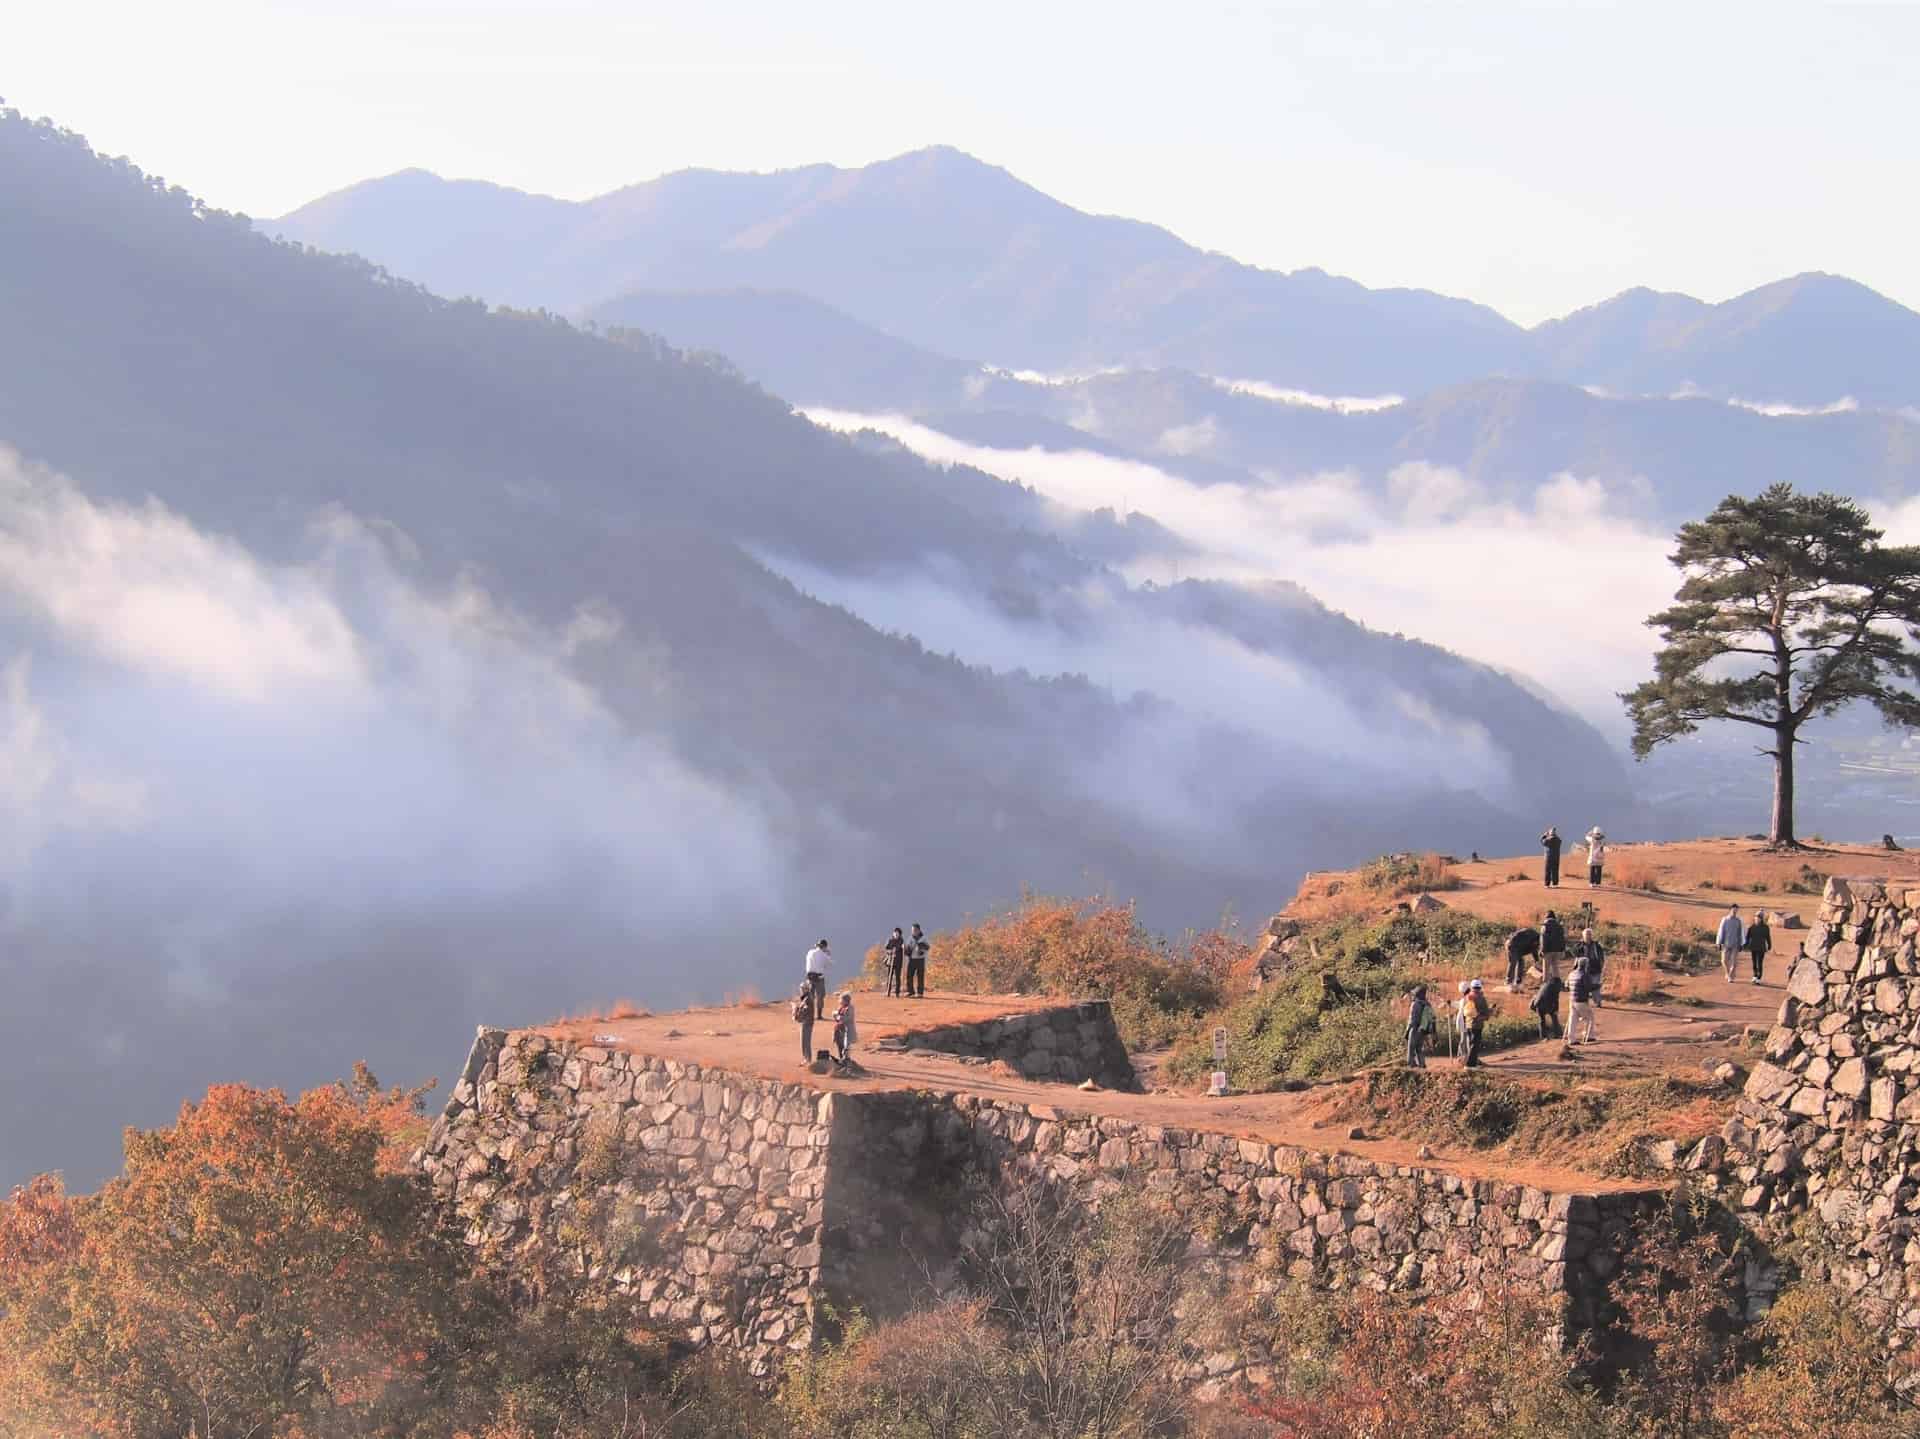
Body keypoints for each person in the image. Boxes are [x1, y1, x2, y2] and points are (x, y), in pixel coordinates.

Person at [1568, 954, 1600, 1043]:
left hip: (1572, 1000)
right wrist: (1597, 985)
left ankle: (1571, 1039)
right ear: (1585, 965)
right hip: (1581, 1000)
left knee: (1573, 1019)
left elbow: (1567, 985)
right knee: (1590, 1017)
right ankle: (1588, 1036)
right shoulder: (1584, 975)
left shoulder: (1571, 974)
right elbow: (1588, 988)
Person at [1462, 978, 1491, 1067]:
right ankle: (1469, 1065)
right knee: (1474, 1045)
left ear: (1471, 987)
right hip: (1477, 1025)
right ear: (1480, 987)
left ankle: (1473, 1063)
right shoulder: (1481, 998)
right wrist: (1490, 1012)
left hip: (1468, 1024)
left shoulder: (1467, 997)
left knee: (1470, 1044)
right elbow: (1486, 1013)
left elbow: (1464, 1011)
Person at [1574, 928, 1606, 1007]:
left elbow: (1601, 957)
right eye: (1586, 935)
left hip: (1595, 968)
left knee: (1595, 986)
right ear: (1583, 936)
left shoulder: (1597, 945)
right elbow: (1574, 952)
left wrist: (1601, 966)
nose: (1588, 937)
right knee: (1583, 986)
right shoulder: (1579, 945)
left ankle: (1598, 1002)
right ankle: (1584, 1002)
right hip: (1583, 969)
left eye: (1589, 935)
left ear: (1592, 936)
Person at [1405, 985, 1435, 1068]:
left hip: (1414, 1028)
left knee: (1411, 1049)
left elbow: (1412, 1019)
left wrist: (1407, 1030)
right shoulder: (1427, 1004)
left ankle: (1410, 1065)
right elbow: (1432, 1017)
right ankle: (1422, 1065)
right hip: (1422, 1029)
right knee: (1419, 1048)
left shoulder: (1415, 1004)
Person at [1504, 925, 1541, 990]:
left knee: (1521, 963)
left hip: (1518, 948)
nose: (1538, 945)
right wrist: (1511, 944)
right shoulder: (1531, 934)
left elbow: (1534, 950)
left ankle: (1518, 982)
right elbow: (1517, 935)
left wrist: (1536, 961)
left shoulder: (1535, 941)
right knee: (1513, 962)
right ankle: (1508, 981)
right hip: (1512, 944)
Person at [1531, 970, 1564, 1039]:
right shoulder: (1555, 987)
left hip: (1537, 1004)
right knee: (1554, 1016)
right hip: (1544, 1004)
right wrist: (1556, 1009)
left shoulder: (1545, 984)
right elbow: (1555, 999)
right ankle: (1558, 1034)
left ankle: (1543, 1036)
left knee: (1542, 1020)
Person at [1716, 904, 1745, 984]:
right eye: (1734, 910)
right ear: (1730, 910)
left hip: (1735, 944)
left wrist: (1741, 944)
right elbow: (1721, 931)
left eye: (1736, 910)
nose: (1735, 912)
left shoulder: (1739, 921)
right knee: (1724, 961)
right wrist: (1719, 943)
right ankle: (1727, 973)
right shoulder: (1725, 920)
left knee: (1734, 962)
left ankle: (1730, 976)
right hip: (1726, 944)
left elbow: (1741, 933)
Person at [804, 939, 832, 1021]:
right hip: (819, 977)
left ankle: (809, 1015)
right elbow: (829, 964)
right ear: (824, 947)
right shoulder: (823, 954)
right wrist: (828, 954)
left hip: (809, 977)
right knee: (820, 996)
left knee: (809, 996)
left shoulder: (810, 952)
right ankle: (819, 1015)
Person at [1745, 911, 1773, 985]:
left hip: (1761, 947)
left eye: (1759, 918)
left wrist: (1769, 945)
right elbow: (1747, 937)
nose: (1757, 919)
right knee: (1754, 963)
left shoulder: (1765, 927)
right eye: (1756, 917)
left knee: (1759, 963)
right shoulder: (1751, 927)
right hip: (1753, 947)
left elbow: (1768, 937)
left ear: (1761, 919)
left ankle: (1759, 977)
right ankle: (1754, 976)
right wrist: (1745, 945)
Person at [832, 990, 858, 1065]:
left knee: (846, 1047)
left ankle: (846, 1060)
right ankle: (842, 1059)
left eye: (841, 1000)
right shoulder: (842, 1007)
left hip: (848, 1030)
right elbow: (838, 1018)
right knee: (840, 1045)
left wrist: (836, 1015)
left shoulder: (850, 1008)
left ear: (846, 1001)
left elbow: (844, 1018)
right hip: (840, 1030)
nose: (840, 1001)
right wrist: (836, 1015)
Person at [791, 981, 815, 1062]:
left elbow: (806, 1010)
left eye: (802, 988)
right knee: (803, 1042)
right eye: (801, 988)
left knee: (806, 1042)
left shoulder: (808, 999)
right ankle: (806, 1059)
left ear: (806, 989)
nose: (801, 990)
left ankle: (808, 1060)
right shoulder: (805, 998)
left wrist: (795, 1009)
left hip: (807, 1023)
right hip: (805, 1022)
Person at [1540, 910, 1567, 979]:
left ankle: (1545, 983)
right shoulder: (1560, 926)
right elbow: (1563, 939)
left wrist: (1542, 950)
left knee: (1546, 968)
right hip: (1557, 950)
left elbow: (1543, 939)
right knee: (1555, 966)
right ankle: (1557, 983)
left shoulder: (1545, 926)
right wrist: (1563, 949)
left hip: (1548, 950)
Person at [906, 922, 929, 997]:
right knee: (909, 975)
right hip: (911, 959)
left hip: (920, 959)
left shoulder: (923, 938)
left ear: (918, 930)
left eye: (915, 930)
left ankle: (920, 993)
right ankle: (910, 991)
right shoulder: (910, 938)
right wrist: (907, 949)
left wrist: (921, 947)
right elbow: (907, 949)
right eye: (912, 930)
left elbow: (928, 947)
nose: (913, 931)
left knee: (920, 976)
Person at [883, 926, 906, 997]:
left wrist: (903, 948)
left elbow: (904, 950)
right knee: (889, 976)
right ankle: (888, 991)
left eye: (897, 933)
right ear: (893, 933)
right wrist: (890, 951)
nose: (896, 934)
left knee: (898, 977)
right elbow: (886, 948)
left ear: (900, 934)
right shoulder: (890, 940)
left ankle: (897, 992)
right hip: (891, 961)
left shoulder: (901, 941)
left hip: (898, 961)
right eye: (895, 933)